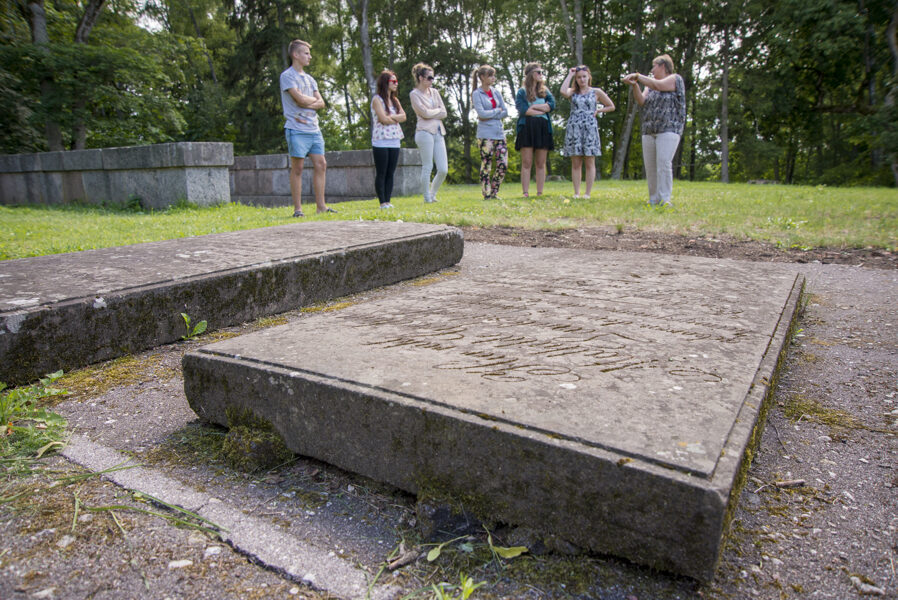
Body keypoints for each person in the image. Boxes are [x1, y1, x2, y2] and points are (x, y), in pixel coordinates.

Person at [279, 39, 336, 217]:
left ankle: (321, 206)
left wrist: (308, 101)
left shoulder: (310, 79)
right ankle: (298, 209)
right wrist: (310, 101)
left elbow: (322, 103)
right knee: (298, 168)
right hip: (296, 129)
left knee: (321, 164)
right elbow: (300, 100)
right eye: (306, 53)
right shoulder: (287, 76)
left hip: (314, 129)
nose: (309, 56)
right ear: (295, 55)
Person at [623, 54, 686, 206]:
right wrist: (634, 84)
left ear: (663, 66)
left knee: (663, 163)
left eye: (654, 66)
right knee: (651, 167)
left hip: (669, 128)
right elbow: (641, 101)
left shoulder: (675, 79)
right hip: (649, 130)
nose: (652, 70)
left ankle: (665, 199)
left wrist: (637, 76)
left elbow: (659, 85)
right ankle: (653, 198)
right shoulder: (649, 85)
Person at [560, 65, 615, 199]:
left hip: (590, 128)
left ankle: (587, 193)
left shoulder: (596, 92)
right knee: (576, 162)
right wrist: (570, 74)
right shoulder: (572, 92)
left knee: (590, 161)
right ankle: (577, 193)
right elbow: (562, 91)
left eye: (584, 76)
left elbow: (611, 106)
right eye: (579, 77)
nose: (582, 79)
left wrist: (599, 111)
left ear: (589, 77)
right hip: (575, 128)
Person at [409, 63, 448, 203]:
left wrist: (433, 112)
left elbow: (444, 112)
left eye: (433, 78)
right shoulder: (414, 94)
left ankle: (432, 194)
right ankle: (427, 198)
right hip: (424, 132)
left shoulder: (435, 92)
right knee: (428, 166)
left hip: (438, 131)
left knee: (443, 169)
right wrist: (435, 111)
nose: (431, 81)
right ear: (420, 78)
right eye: (429, 77)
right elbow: (423, 113)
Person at [515, 62, 555, 198]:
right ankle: (525, 192)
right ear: (531, 74)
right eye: (538, 72)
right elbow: (524, 110)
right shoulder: (522, 92)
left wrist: (535, 109)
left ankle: (539, 193)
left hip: (543, 128)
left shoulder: (545, 92)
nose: (541, 75)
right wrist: (541, 108)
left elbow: (551, 106)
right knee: (526, 162)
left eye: (541, 72)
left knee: (540, 162)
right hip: (527, 128)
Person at [472, 65, 509, 200]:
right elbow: (481, 113)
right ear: (482, 77)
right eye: (490, 75)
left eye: (494, 75)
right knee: (486, 164)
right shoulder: (477, 94)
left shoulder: (496, 92)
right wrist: (496, 111)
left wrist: (491, 114)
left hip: (499, 133)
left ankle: (494, 191)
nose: (493, 78)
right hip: (485, 135)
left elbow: (505, 111)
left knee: (503, 164)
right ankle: (487, 193)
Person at [371, 70, 406, 209]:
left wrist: (392, 117)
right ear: (386, 82)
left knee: (391, 172)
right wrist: (394, 118)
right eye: (393, 81)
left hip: (394, 139)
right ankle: (382, 202)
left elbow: (404, 116)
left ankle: (388, 201)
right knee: (382, 171)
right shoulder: (377, 99)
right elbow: (382, 119)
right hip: (381, 140)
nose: (396, 84)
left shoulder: (395, 101)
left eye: (396, 81)